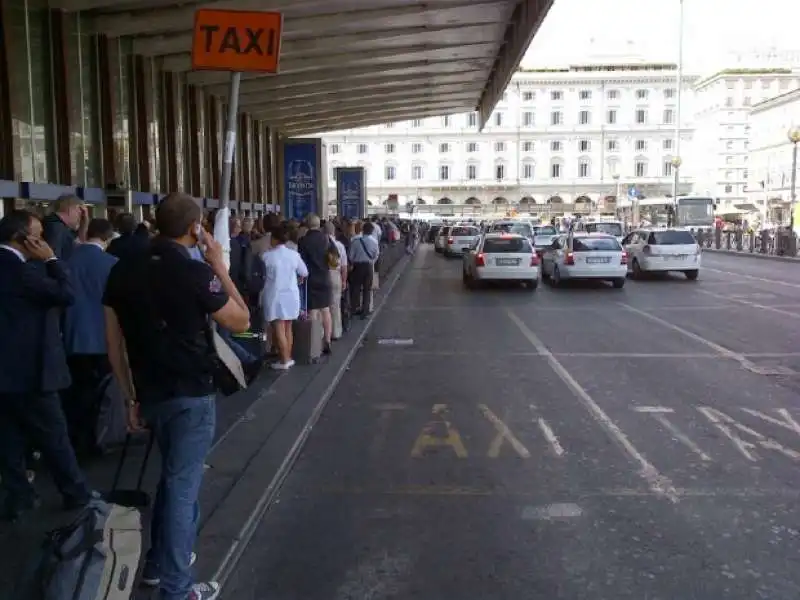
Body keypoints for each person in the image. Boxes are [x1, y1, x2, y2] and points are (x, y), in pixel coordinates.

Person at [102, 193, 250, 600]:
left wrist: (130, 398)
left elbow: (113, 343)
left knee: (171, 479)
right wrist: (217, 261)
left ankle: (156, 565)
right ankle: (177, 589)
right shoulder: (195, 272)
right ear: (195, 228)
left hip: (150, 392)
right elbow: (241, 321)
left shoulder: (122, 270)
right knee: (183, 487)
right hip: (191, 393)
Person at [0, 210, 95, 522]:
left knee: (9, 438)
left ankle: (19, 496)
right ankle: (75, 491)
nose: (41, 242)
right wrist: (53, 259)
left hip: (5, 374)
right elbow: (67, 295)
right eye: (37, 236)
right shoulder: (24, 272)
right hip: (31, 371)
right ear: (22, 239)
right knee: (54, 434)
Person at [62, 218, 119, 456]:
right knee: (101, 394)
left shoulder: (66, 262)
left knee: (76, 392)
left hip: (72, 336)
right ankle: (95, 439)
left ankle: (76, 438)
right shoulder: (112, 264)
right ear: (106, 237)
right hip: (102, 336)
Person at [261, 223, 309, 370]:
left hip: (274, 295)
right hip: (291, 294)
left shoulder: (266, 256)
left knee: (279, 328)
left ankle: (285, 360)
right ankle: (288, 357)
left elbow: (261, 276)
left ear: (275, 239)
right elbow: (305, 272)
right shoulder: (294, 255)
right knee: (288, 327)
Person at [298, 214, 334, 353]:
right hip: (325, 277)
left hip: (310, 280)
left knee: (312, 311)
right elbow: (334, 256)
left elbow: (301, 261)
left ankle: (314, 343)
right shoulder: (326, 238)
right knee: (325, 310)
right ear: (319, 225)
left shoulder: (303, 241)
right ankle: (328, 340)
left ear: (307, 225)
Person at [42, 194, 88, 261]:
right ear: (71, 209)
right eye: (80, 213)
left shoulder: (56, 225)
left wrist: (84, 222)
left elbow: (81, 241)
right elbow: (53, 260)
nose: (80, 218)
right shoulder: (56, 228)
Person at [348, 221, 380, 318]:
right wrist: (371, 261)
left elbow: (350, 256)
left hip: (357, 267)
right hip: (369, 267)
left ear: (363, 230)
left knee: (356, 288)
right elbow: (376, 255)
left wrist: (355, 261)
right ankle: (365, 312)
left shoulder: (355, 241)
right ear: (371, 231)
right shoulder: (375, 242)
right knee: (367, 290)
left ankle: (354, 309)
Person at [324, 221, 347, 340]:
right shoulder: (340, 245)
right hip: (335, 275)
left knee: (324, 307)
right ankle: (336, 333)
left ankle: (324, 335)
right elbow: (344, 266)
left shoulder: (321, 244)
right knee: (335, 306)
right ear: (333, 232)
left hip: (323, 275)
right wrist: (344, 280)